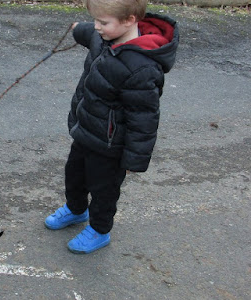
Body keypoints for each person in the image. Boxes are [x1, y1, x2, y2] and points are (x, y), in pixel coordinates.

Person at [44, 0, 179, 254]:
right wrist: (77, 29)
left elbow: (144, 119)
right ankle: (75, 210)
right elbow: (90, 34)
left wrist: (133, 160)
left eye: (103, 22)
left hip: (110, 146)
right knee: (74, 174)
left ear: (129, 20)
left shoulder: (141, 68)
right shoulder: (105, 37)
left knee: (103, 190)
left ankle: (99, 230)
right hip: (86, 129)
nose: (97, 27)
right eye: (95, 21)